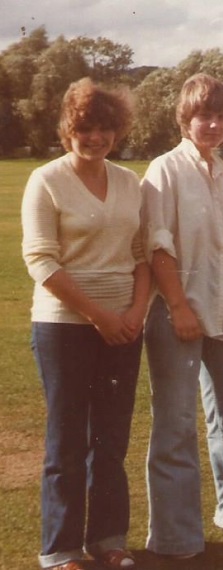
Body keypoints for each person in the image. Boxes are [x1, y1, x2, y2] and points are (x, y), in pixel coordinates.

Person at [21, 78, 150, 570]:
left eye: (104, 128)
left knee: (112, 439)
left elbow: (142, 257)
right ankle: (61, 549)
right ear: (67, 131)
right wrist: (99, 317)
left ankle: (109, 540)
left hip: (123, 326)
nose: (95, 137)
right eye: (85, 128)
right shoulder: (46, 180)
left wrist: (134, 313)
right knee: (68, 438)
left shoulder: (128, 181)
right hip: (65, 326)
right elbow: (41, 260)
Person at [142, 73, 223, 559]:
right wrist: (178, 307)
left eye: (220, 116)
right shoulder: (164, 171)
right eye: (203, 116)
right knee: (176, 426)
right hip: (178, 314)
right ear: (185, 118)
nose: (213, 124)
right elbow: (157, 244)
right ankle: (175, 537)